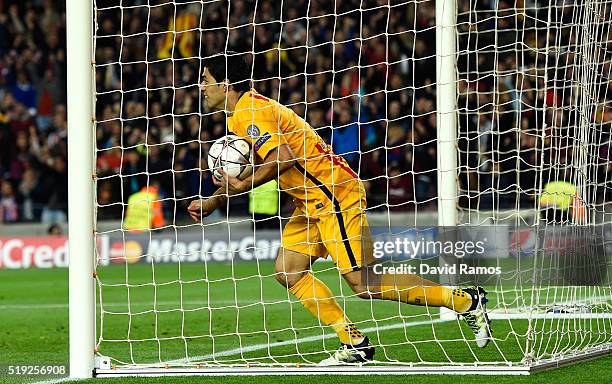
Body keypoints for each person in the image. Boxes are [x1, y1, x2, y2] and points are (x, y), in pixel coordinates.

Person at [187, 52, 492, 364]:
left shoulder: (251, 110)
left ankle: (465, 300)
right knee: (288, 271)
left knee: (365, 284)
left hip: (333, 193)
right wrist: (215, 199)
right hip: (309, 201)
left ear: (225, 85)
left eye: (205, 81)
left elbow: (284, 158)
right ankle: (354, 342)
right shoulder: (241, 114)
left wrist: (240, 187)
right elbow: (258, 167)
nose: (201, 87)